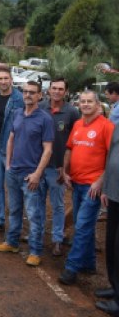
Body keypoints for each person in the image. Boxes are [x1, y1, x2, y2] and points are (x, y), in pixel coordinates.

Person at [0, 81, 54, 267]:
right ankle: (12, 243)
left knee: (35, 215)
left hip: (31, 176)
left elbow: (48, 149)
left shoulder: (45, 119)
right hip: (14, 172)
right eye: (25, 91)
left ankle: (35, 251)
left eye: (32, 92)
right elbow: (11, 139)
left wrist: (37, 174)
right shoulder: (17, 113)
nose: (28, 95)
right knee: (14, 209)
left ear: (39, 96)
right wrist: (9, 165)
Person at [59, 90, 114, 285]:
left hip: (93, 187)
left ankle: (71, 268)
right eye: (82, 101)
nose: (86, 104)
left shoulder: (107, 127)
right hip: (76, 183)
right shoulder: (77, 124)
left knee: (81, 226)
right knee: (84, 225)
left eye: (90, 101)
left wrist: (100, 181)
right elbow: (70, 148)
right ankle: (89, 264)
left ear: (98, 104)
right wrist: (65, 172)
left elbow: (112, 157)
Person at [39, 77, 80, 256]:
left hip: (58, 168)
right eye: (54, 88)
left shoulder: (72, 112)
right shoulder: (41, 108)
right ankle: (37, 235)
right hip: (39, 166)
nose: (56, 91)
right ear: (49, 90)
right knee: (37, 203)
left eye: (60, 89)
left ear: (66, 92)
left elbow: (75, 142)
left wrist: (67, 168)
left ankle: (57, 239)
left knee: (58, 205)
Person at [0, 67, 24, 231]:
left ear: (11, 80)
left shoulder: (19, 99)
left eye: (5, 78)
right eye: (0, 78)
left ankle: (15, 225)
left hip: (11, 151)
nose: (3, 81)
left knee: (14, 189)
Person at [96, 125, 119, 316]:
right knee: (111, 244)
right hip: (114, 194)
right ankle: (115, 286)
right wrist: (105, 188)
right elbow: (111, 156)